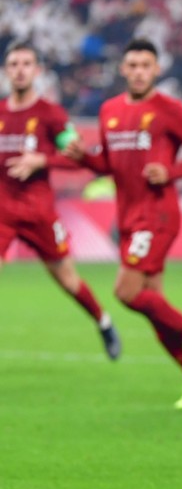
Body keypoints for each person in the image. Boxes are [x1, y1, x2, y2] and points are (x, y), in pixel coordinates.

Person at [64, 38, 182, 409]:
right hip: (129, 217)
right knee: (153, 306)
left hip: (158, 214)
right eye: (131, 65)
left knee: (126, 292)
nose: (138, 72)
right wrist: (85, 157)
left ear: (156, 69)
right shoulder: (110, 111)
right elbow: (108, 165)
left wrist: (171, 171)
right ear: (122, 69)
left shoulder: (170, 109)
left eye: (145, 65)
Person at [0, 41, 121, 360]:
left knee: (68, 280)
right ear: (5, 71)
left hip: (39, 212)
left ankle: (103, 321)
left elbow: (76, 156)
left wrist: (42, 160)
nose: (20, 69)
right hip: (2, 211)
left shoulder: (49, 114)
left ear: (38, 71)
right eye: (14, 64)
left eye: (27, 63)